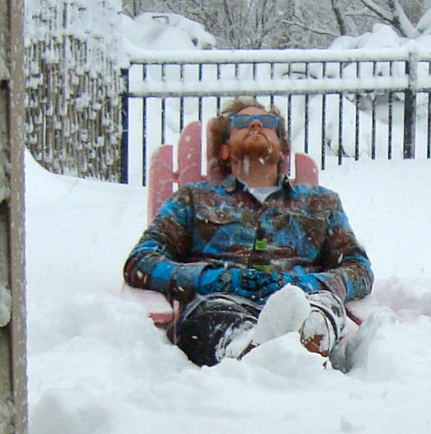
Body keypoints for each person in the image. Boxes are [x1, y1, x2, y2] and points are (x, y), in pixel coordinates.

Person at [124, 98, 374, 365]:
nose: (256, 124)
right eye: (242, 122)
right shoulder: (194, 199)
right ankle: (257, 350)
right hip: (223, 303)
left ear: (282, 151)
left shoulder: (320, 203)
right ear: (224, 150)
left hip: (304, 299)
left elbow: (358, 269)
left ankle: (302, 343)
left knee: (322, 307)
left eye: (267, 122)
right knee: (211, 314)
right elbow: (141, 261)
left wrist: (307, 285)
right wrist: (216, 279)